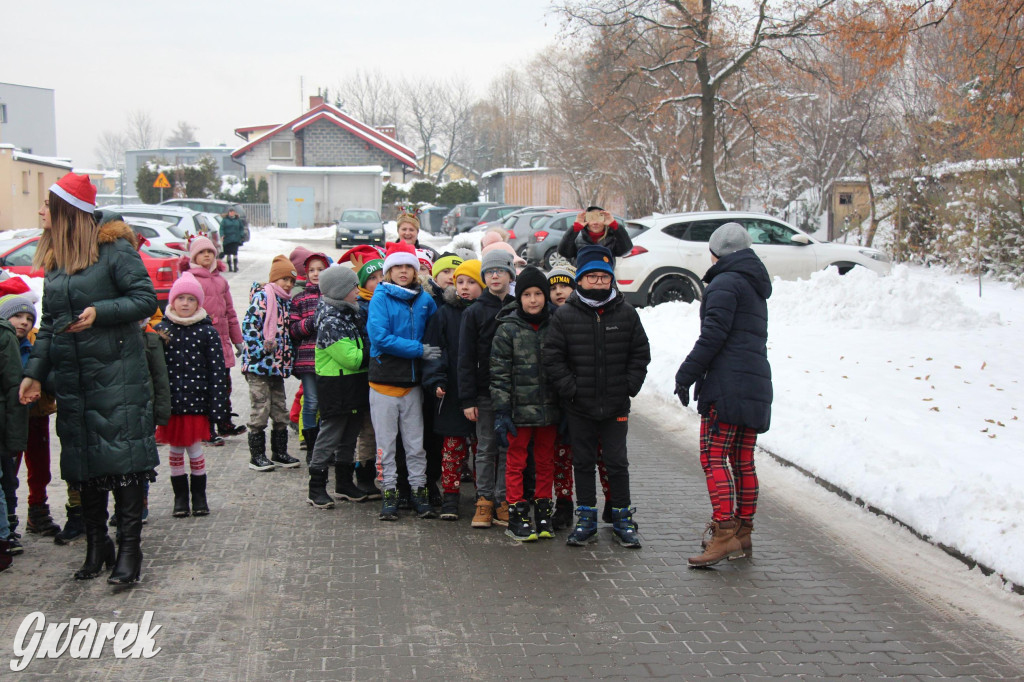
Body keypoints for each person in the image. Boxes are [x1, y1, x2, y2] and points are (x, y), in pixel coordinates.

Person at [20, 172, 159, 585]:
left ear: (67, 210)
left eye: (47, 204)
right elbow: (48, 324)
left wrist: (101, 312)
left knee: (123, 461)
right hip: (74, 377)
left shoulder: (114, 247)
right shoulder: (57, 257)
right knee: (84, 463)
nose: (41, 210)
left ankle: (130, 551)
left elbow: (145, 299)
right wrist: (34, 374)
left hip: (117, 374)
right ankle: (97, 544)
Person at [673, 222, 772, 567]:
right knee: (743, 460)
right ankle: (743, 531)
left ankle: (724, 532)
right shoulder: (754, 283)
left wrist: (686, 374)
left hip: (727, 386)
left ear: (714, 253)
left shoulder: (725, 283)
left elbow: (713, 336)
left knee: (713, 457)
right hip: (755, 382)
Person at [543, 244, 650, 549]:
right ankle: (586, 517)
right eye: (593, 278)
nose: (599, 283)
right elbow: (553, 357)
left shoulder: (626, 313)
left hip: (616, 405)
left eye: (605, 278)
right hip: (579, 406)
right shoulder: (565, 316)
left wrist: (628, 385)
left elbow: (640, 354)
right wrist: (571, 389)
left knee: (617, 462)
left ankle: (621, 517)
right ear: (580, 280)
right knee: (584, 463)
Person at [366, 241, 438, 521]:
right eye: (397, 266)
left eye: (409, 266)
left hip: (413, 385)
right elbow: (380, 338)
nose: (404, 271)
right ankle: (390, 493)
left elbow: (434, 330)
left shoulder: (425, 299)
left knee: (415, 443)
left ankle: (419, 491)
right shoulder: (380, 297)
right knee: (386, 445)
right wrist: (419, 350)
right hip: (384, 384)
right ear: (388, 271)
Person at [490, 267, 560, 542]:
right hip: (518, 413)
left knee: (545, 462)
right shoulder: (507, 329)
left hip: (549, 410)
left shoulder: (556, 324)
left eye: (538, 294)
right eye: (527, 294)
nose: (533, 300)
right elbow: (499, 373)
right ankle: (517, 514)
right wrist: (502, 409)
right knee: (516, 462)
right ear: (519, 298)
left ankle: (543, 513)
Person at [154, 272, 229, 517]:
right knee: (175, 450)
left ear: (199, 303)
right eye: (180, 298)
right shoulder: (161, 331)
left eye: (191, 299)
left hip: (198, 404)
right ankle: (179, 499)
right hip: (172, 404)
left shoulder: (207, 332)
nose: (185, 303)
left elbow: (217, 371)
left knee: (195, 449)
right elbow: (154, 371)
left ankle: (199, 496)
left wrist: (218, 407)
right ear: (172, 301)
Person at [458, 249, 516, 528]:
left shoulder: (518, 307)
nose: (495, 276)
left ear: (510, 275)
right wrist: (468, 399)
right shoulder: (474, 312)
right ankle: (484, 501)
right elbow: (465, 359)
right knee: (485, 448)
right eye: (490, 272)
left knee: (508, 447)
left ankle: (503, 500)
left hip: (514, 392)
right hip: (484, 392)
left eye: (500, 271)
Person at [422, 259, 483, 521]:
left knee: (483, 448)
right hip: (452, 390)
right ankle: (450, 496)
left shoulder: (489, 311)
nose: (465, 287)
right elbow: (435, 350)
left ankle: (484, 496)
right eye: (460, 282)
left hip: (483, 391)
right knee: (452, 447)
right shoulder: (444, 313)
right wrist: (436, 380)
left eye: (471, 282)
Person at [306, 265, 371, 508]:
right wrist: (378, 350)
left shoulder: (350, 313)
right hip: (337, 386)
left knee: (350, 435)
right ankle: (316, 488)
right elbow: (352, 359)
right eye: (353, 286)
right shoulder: (331, 320)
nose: (358, 290)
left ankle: (344, 483)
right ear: (340, 290)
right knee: (330, 435)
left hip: (353, 385)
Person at [180, 237, 245, 440]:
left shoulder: (221, 281)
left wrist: (238, 341)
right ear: (194, 256)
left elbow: (230, 312)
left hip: (222, 341)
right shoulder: (190, 279)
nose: (207, 255)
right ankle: (206, 428)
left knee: (223, 383)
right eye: (202, 252)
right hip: (200, 344)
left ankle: (224, 422)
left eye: (210, 251)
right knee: (204, 385)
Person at [241, 254, 300, 471]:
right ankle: (256, 455)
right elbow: (249, 327)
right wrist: (259, 352)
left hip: (277, 367)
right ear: (274, 279)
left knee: (280, 408)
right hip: (258, 367)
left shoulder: (286, 302)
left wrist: (288, 358)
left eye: (292, 281)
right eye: (284, 279)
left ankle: (280, 451)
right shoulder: (263, 298)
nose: (288, 284)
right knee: (260, 407)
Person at [289, 251, 329, 460]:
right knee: (311, 401)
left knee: (326, 403)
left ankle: (324, 447)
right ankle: (312, 448)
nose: (315, 274)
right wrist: (311, 322)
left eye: (320, 270)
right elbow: (293, 329)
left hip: (330, 359)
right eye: (311, 270)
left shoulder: (332, 295)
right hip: (307, 359)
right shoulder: (300, 298)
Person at [352, 258, 385, 499]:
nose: (378, 282)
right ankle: (363, 473)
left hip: (385, 374)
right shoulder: (360, 307)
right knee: (367, 428)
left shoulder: (389, 301)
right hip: (364, 373)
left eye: (382, 276)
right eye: (373, 278)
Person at [1, 303, 29, 569]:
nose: (24, 322)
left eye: (28, 318)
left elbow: (12, 387)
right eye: (18, 316)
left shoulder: (11, 339)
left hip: (15, 420)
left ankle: (7, 531)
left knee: (8, 479)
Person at [557, 206, 633, 263]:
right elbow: (564, 252)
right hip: (581, 282)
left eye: (599, 218)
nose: (595, 223)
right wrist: (574, 229)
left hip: (605, 282)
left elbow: (626, 250)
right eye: (591, 218)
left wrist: (615, 226)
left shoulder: (612, 239)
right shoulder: (578, 239)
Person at [220, 207, 246, 273]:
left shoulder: (237, 220)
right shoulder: (225, 220)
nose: (232, 213)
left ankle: (235, 266)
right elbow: (221, 228)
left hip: (235, 239)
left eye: (233, 212)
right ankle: (230, 267)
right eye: (230, 212)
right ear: (228, 213)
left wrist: (241, 234)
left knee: (235, 253)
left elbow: (241, 228)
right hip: (227, 239)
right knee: (228, 253)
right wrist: (222, 235)